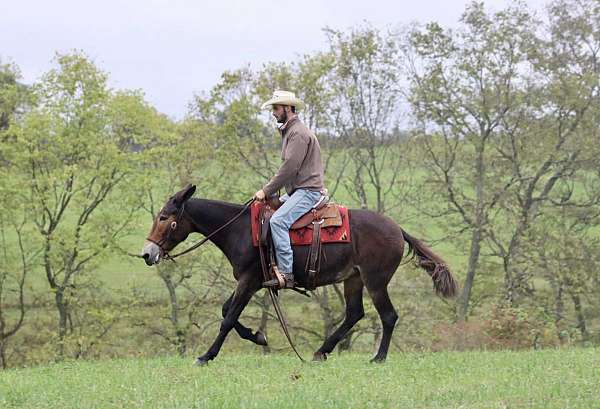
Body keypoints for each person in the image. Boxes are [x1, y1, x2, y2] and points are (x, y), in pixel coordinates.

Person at [254, 90, 326, 289]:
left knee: (277, 221)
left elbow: (289, 168)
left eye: (276, 108)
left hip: (308, 191)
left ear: (287, 108)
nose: (273, 113)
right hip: (298, 191)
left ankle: (286, 274)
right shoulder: (290, 132)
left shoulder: (298, 134)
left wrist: (266, 191)